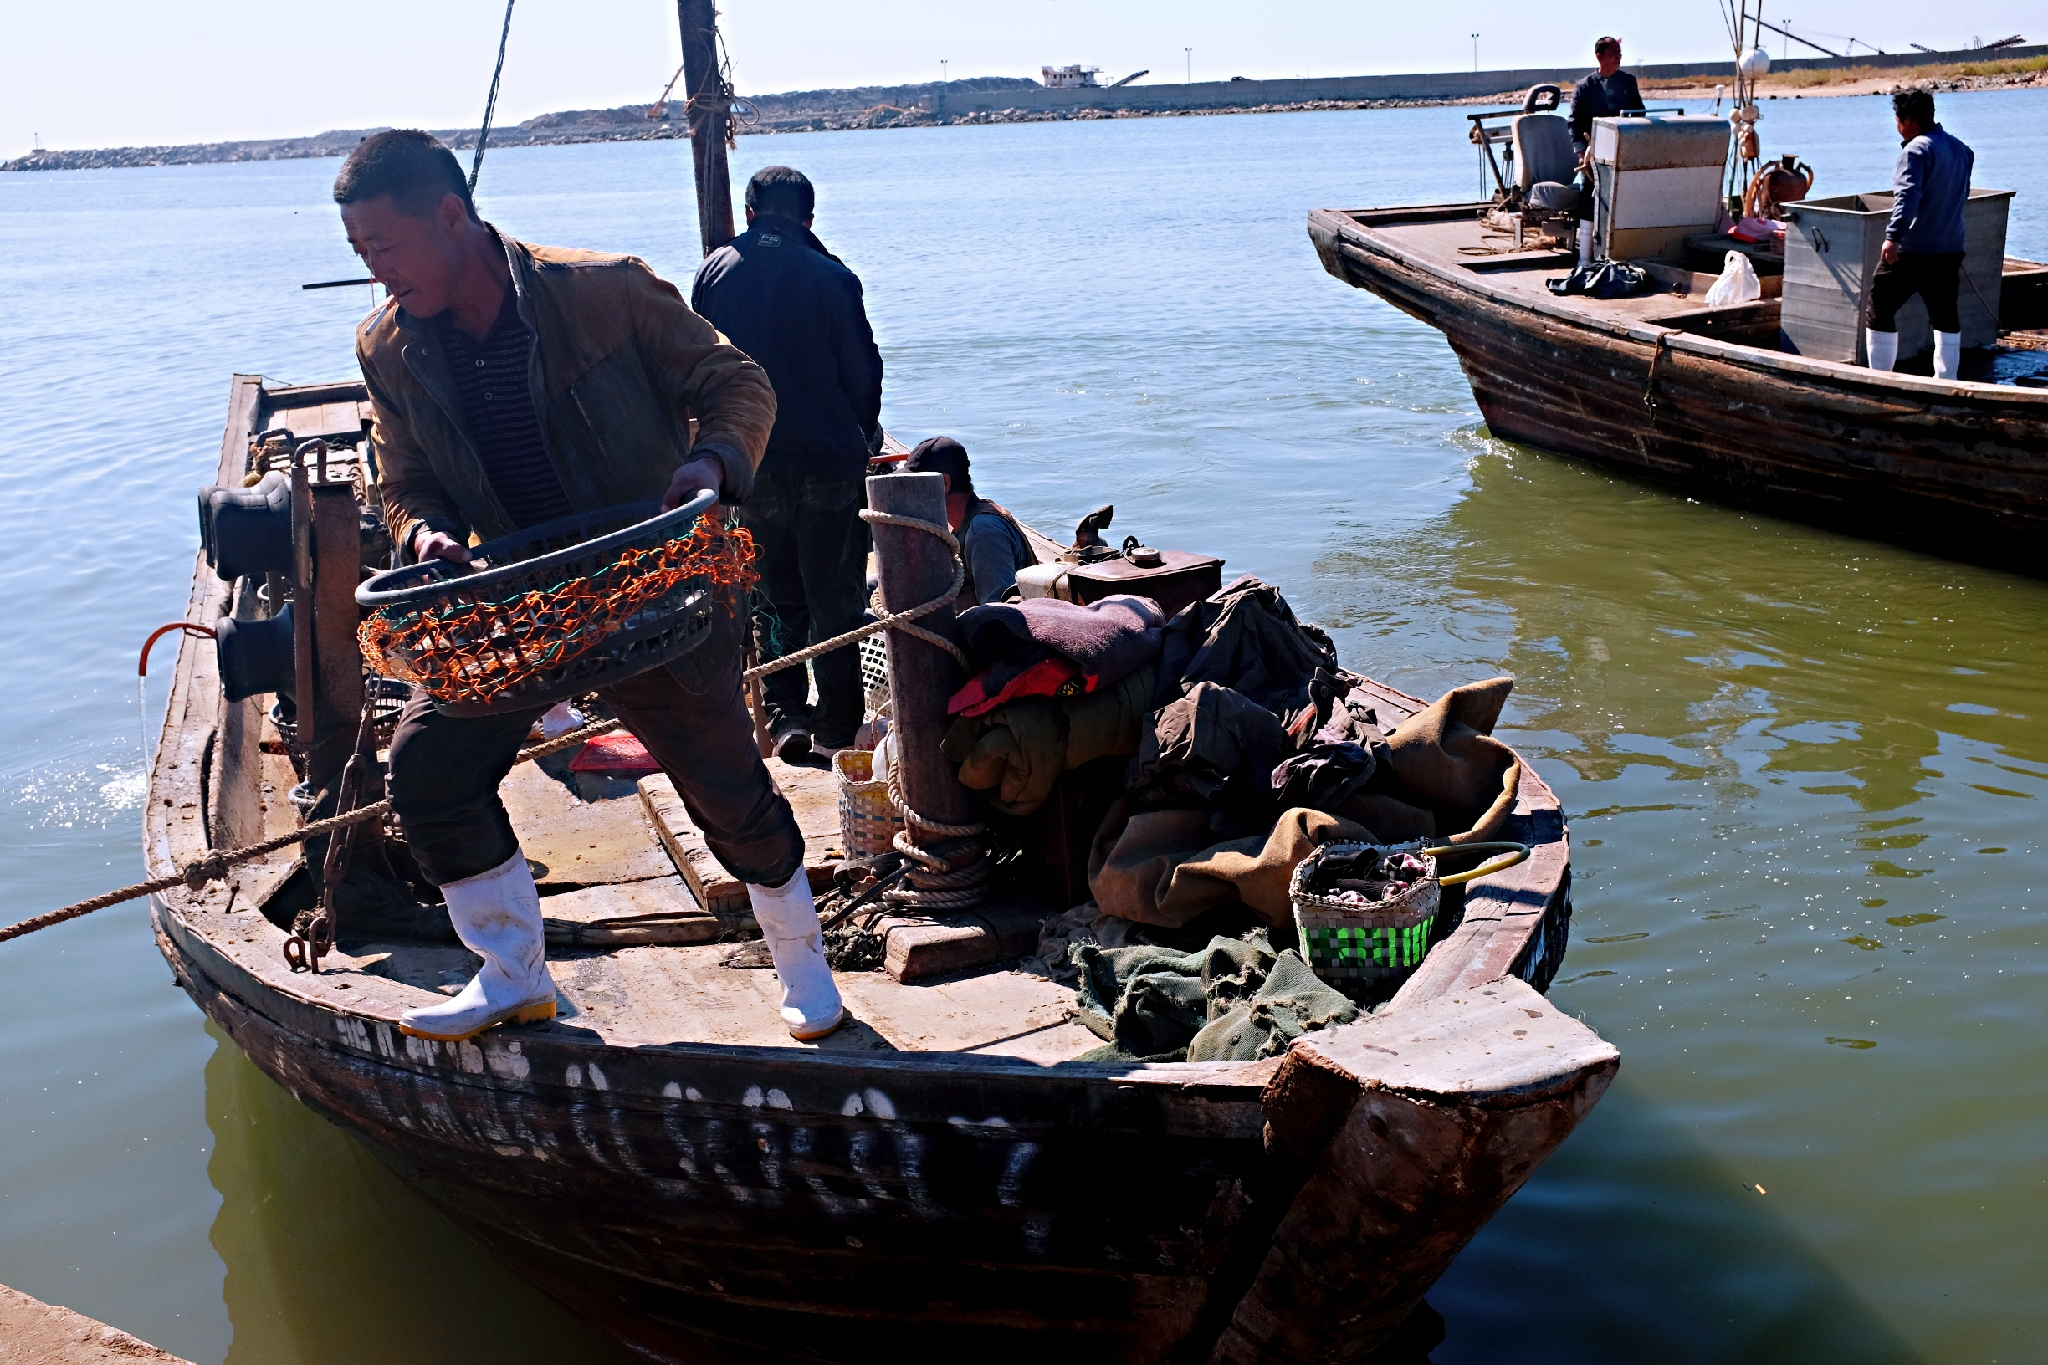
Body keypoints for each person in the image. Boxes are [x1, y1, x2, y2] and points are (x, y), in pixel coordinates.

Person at [337, 131, 844, 1044]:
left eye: (386, 248)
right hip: (519, 598)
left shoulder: (605, 288)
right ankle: (512, 974)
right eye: (360, 255)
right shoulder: (387, 345)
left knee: (730, 793)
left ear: (452, 217)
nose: (377, 274)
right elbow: (403, 474)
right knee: (428, 769)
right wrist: (423, 529)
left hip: (657, 587)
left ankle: (801, 957)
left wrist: (712, 464)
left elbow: (738, 382)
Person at [693, 166, 883, 760]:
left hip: (750, 460)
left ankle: (784, 717)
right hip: (829, 458)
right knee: (836, 595)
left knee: (773, 592)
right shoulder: (833, 277)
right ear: (808, 217)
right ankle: (837, 726)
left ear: (750, 214)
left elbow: (698, 365)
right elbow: (863, 371)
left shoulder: (714, 272)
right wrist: (865, 433)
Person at [1865, 87, 1975, 380]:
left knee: (1880, 304)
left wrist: (1893, 237)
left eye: (1898, 119)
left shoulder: (1914, 150)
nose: (1897, 125)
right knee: (1945, 316)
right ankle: (1946, 383)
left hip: (1914, 250)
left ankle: (1880, 380)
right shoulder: (1960, 149)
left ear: (1909, 120)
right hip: (1950, 247)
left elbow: (1907, 198)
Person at [902, 437, 1036, 605]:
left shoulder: (982, 533)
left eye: (914, 486)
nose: (909, 495)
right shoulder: (961, 522)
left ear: (944, 484)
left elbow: (1000, 614)